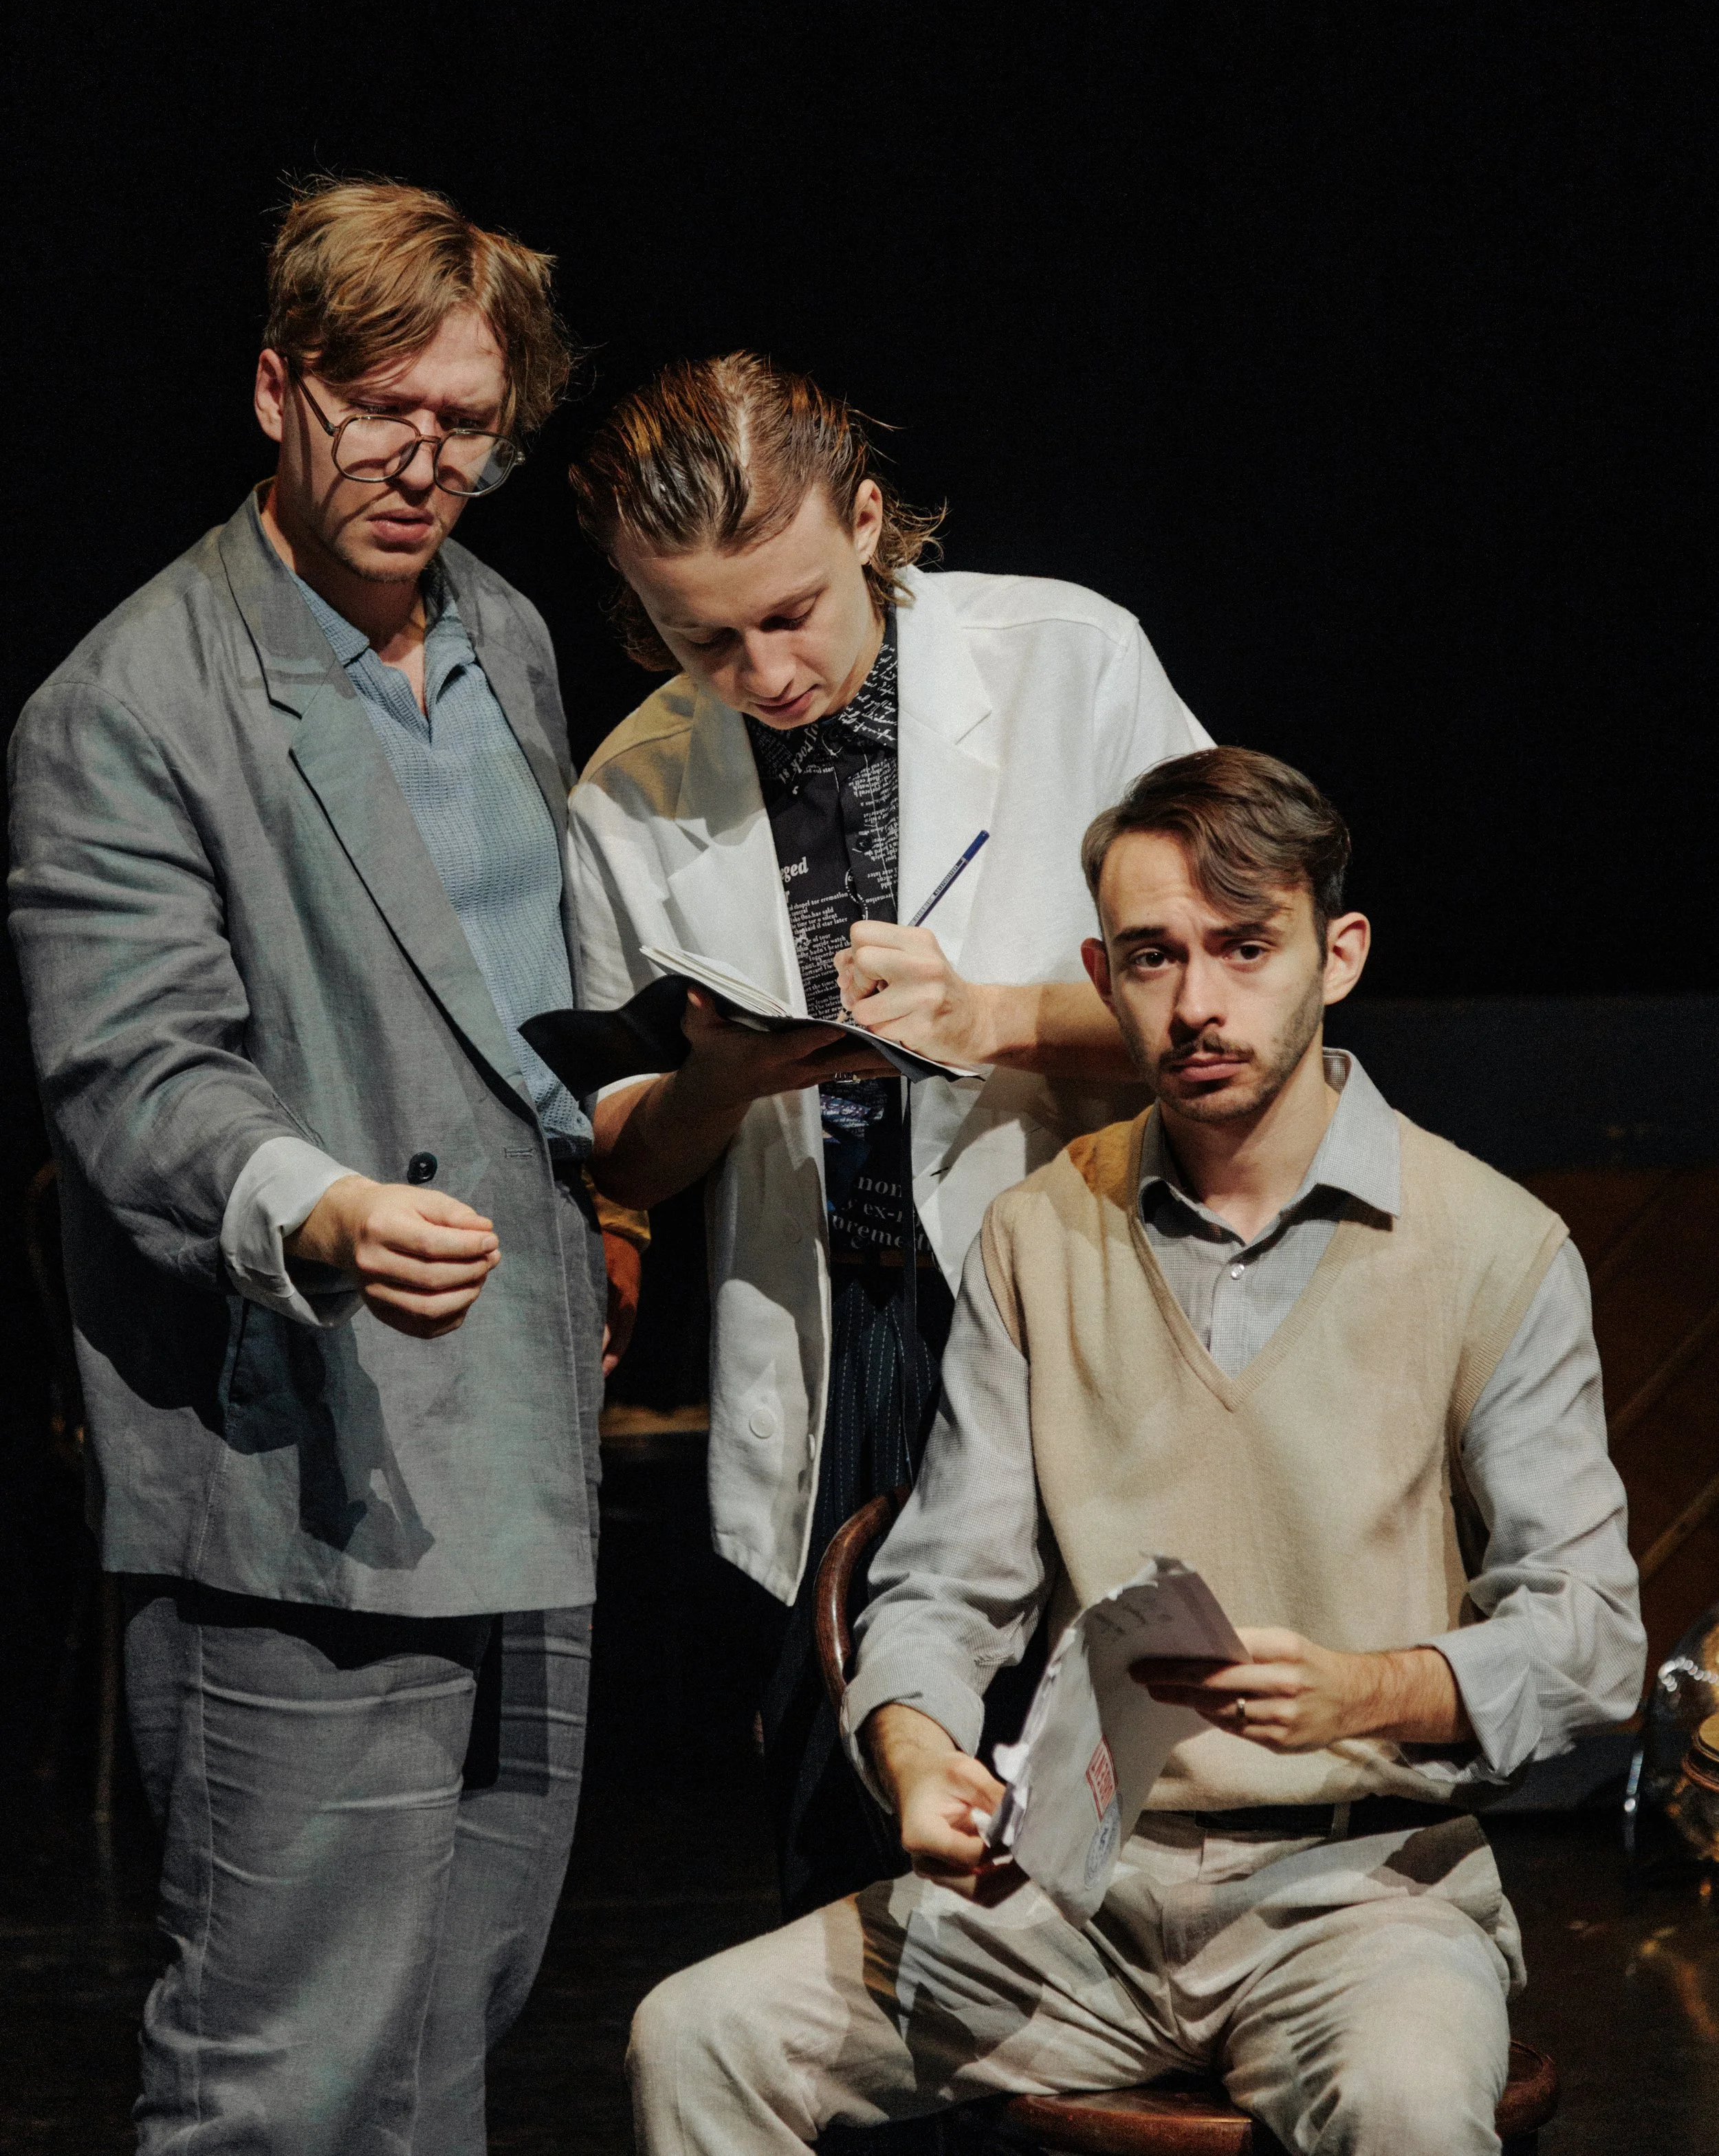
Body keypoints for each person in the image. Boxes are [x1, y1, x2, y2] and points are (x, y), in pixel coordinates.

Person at [626, 746, 1646, 2156]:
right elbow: (944, 1585)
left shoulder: (1490, 1248)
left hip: (1360, 1894)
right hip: (1072, 1896)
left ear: (1335, 955)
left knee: (1410, 2103)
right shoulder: (1041, 1234)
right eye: (1155, 958)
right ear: (1104, 975)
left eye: (1244, 948)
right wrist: (917, 1757)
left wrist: (1370, 1687)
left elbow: (1589, 1638)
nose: (1199, 1002)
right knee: (698, 2036)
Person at [8, 178, 637, 2156]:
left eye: (465, 421)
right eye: (380, 407)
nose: (422, 459)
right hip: (309, 1456)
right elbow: (136, 1077)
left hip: (521, 1423)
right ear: (277, 388)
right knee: (286, 2071)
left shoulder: (511, 637)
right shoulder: (130, 703)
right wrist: (321, 1202)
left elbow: (527, 1013)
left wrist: (620, 1179)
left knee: (454, 2022)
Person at [569, 351, 1207, 1910]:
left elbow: (1234, 990)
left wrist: (989, 1018)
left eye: (790, 612)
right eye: (698, 637)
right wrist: (719, 1079)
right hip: (844, 1324)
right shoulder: (627, 795)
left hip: (1080, 1283)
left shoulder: (1069, 657)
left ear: (868, 521)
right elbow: (620, 1154)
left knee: (1109, 1801)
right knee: (854, 1799)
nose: (764, 671)